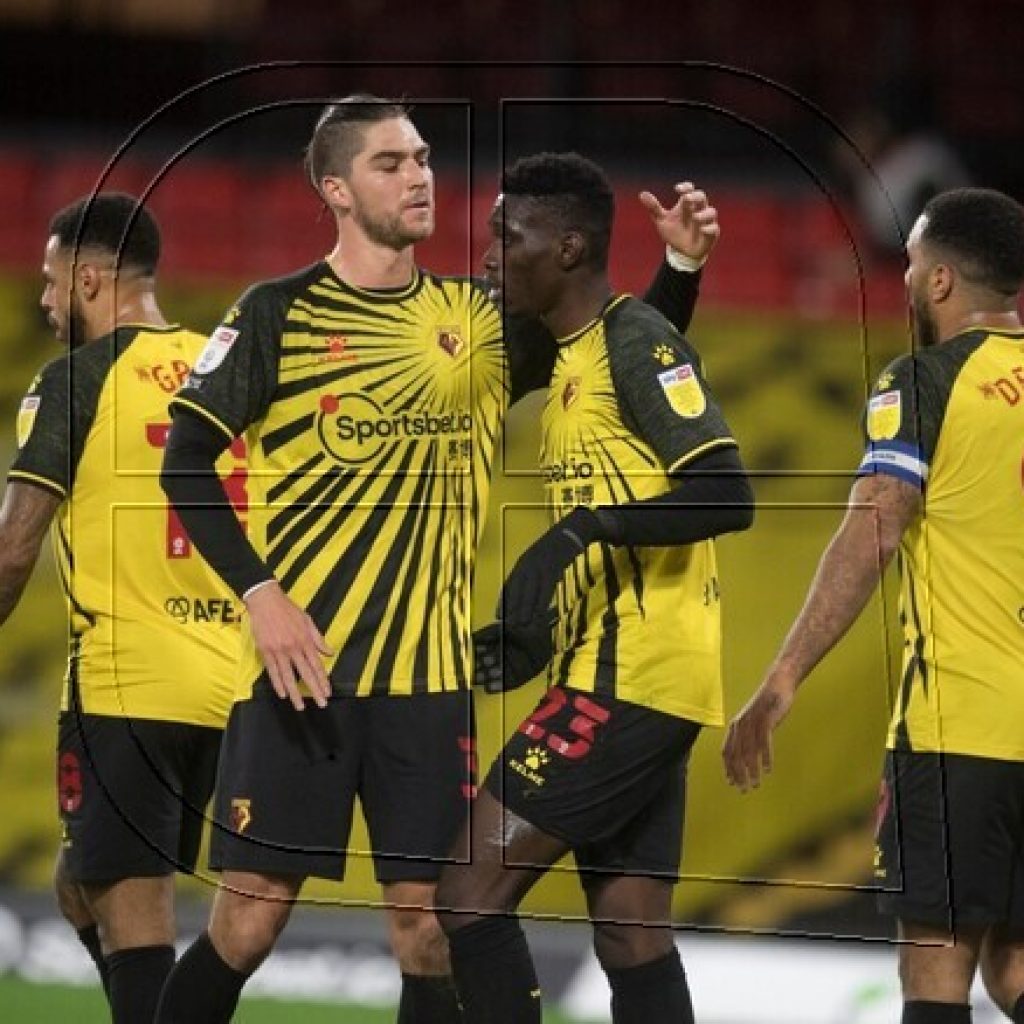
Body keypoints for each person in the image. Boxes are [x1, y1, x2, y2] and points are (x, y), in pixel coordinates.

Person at [154, 95, 720, 1024]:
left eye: (420, 157)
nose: (418, 176)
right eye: (390, 163)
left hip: (429, 681)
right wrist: (260, 594)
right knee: (248, 921)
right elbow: (185, 461)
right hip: (303, 670)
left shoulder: (483, 318)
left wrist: (682, 269)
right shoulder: (276, 313)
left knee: (428, 928)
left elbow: (616, 352)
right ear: (336, 189)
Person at [434, 152, 754, 1024]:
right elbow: (637, 352)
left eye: (509, 236)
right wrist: (681, 269)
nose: (490, 254)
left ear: (569, 247)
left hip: (630, 678)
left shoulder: (631, 339)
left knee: (467, 893)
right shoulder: (588, 348)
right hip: (634, 676)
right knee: (630, 932)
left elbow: (727, 493)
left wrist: (578, 532)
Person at [722, 187, 1024, 1024]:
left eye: (912, 267)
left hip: (961, 727)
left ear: (940, 282)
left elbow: (874, 531)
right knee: (1013, 967)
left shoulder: (924, 382)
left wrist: (782, 677)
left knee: (936, 973)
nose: (906, 283)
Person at [0, 193, 242, 1023]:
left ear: (88, 278)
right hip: (228, 689)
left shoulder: (77, 380)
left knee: (136, 924)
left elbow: (15, 548)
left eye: (49, 280)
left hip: (127, 685)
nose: (42, 299)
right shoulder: (225, 367)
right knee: (79, 885)